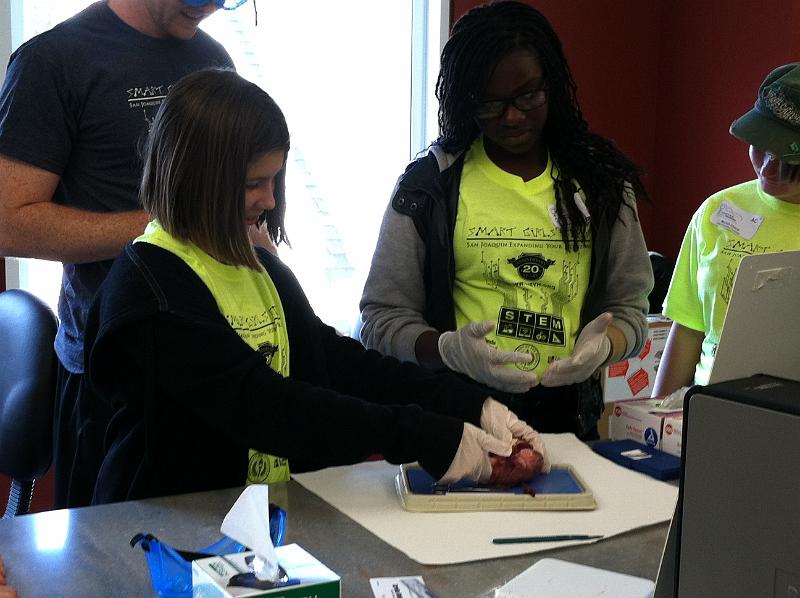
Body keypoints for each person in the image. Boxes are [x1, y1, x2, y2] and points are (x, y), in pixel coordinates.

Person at [74, 68, 548, 504]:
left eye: (275, 179)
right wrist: (429, 437)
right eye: (251, 184)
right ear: (197, 180)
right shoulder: (149, 293)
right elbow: (269, 408)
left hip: (255, 516)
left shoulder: (256, 266)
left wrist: (469, 404)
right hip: (158, 528)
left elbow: (338, 362)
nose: (270, 199)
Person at [359, 0, 653, 438]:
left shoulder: (600, 184)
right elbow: (379, 320)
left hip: (569, 423)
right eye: (490, 104)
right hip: (457, 420)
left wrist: (605, 346)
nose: (512, 117)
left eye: (528, 96)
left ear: (552, 86)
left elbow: (631, 309)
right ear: (465, 99)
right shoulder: (430, 187)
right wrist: (447, 349)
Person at [0, 0, 251, 508]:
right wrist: (164, 228)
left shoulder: (214, 60)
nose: (212, 9)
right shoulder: (55, 61)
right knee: (104, 569)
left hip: (210, 364)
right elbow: (9, 221)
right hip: (107, 375)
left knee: (215, 570)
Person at [653, 62, 800, 399]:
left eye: (790, 161)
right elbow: (689, 329)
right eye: (760, 147)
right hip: (713, 407)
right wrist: (659, 418)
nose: (768, 168)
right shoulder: (718, 211)